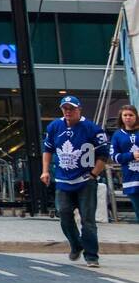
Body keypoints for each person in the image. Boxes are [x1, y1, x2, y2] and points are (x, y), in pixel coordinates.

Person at [42, 95, 110, 266]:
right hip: (63, 179)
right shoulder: (55, 126)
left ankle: (91, 255)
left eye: (71, 108)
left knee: (88, 219)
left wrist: (94, 174)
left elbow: (103, 154)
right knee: (64, 213)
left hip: (85, 179)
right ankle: (76, 244)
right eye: (65, 108)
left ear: (79, 109)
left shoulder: (92, 129)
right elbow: (48, 149)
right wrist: (45, 171)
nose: (68, 111)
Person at [111, 104, 139, 223]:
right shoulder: (117, 135)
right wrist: (131, 155)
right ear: (121, 117)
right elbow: (114, 156)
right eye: (125, 115)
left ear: (136, 116)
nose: (128, 117)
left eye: (131, 115)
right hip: (131, 179)